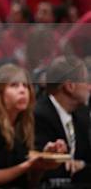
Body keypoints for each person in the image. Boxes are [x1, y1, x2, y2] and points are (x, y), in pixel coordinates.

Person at [0, 64, 66, 188]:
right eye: (14, 85)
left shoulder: (23, 125)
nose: (22, 91)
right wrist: (27, 165)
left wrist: (44, 161)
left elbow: (30, 183)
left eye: (25, 86)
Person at [35, 55, 91, 186]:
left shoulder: (82, 115)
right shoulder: (38, 116)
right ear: (70, 86)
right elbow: (41, 168)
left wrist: (82, 165)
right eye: (86, 82)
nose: (89, 87)